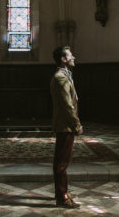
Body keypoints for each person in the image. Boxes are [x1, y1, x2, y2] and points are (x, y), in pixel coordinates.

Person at [50, 46, 83, 208]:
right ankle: (62, 197)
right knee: (62, 164)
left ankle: (62, 192)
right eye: (71, 55)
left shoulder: (64, 75)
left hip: (65, 125)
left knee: (63, 162)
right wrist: (76, 125)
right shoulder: (60, 77)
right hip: (65, 126)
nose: (74, 57)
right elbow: (67, 105)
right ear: (63, 59)